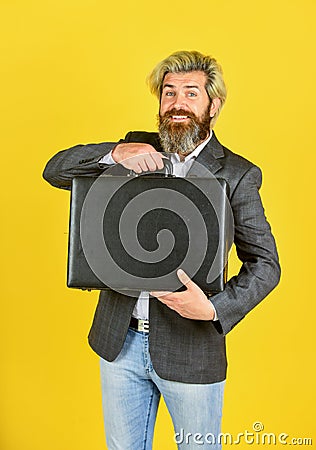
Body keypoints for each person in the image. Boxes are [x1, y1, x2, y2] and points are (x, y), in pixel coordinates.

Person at [43, 50, 280, 449]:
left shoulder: (237, 173)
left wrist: (214, 309)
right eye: (169, 93)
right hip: (119, 343)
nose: (177, 104)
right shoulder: (135, 150)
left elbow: (266, 265)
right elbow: (56, 171)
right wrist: (116, 153)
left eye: (191, 93)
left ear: (213, 105)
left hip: (192, 348)